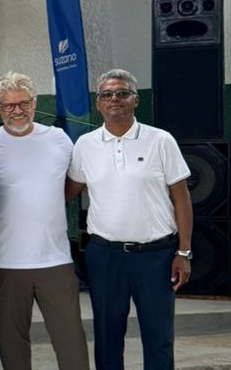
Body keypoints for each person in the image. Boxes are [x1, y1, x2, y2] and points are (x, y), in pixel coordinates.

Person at [66, 69, 192, 370]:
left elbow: (182, 198)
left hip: (156, 255)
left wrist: (183, 252)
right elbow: (65, 192)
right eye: (107, 94)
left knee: (158, 336)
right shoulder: (84, 145)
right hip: (104, 255)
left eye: (122, 93)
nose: (114, 99)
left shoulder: (160, 141)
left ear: (135, 100)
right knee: (108, 336)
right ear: (98, 104)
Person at [0, 71, 89, 370]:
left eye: (23, 103)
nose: (17, 111)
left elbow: (73, 183)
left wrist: (47, 202)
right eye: (8, 105)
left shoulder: (58, 140)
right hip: (2, 263)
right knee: (12, 347)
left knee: (71, 345)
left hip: (54, 259)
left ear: (34, 102)